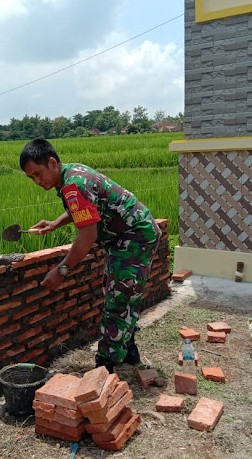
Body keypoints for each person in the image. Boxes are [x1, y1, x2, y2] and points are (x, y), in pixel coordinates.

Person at [20, 138, 161, 374]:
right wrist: (56, 223)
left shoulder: (73, 184)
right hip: (124, 237)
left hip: (133, 237)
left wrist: (62, 270)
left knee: (119, 298)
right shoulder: (72, 174)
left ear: (52, 162)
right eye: (31, 177)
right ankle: (127, 352)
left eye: (38, 173)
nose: (37, 181)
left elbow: (87, 236)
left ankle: (103, 370)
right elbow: (86, 207)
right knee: (118, 292)